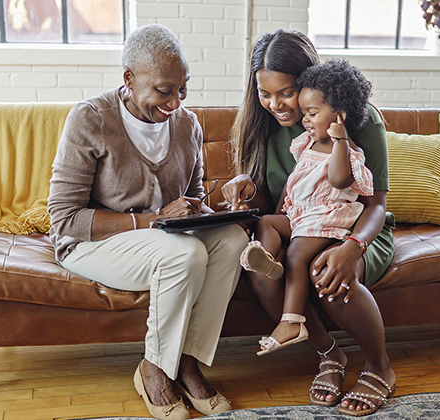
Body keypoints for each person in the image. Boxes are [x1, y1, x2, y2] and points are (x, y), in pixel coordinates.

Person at [48, 24, 248, 420]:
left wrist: (222, 206)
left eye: (183, 89)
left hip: (166, 240)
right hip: (91, 244)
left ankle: (188, 364)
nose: (176, 101)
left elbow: (191, 204)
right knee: (185, 254)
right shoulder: (90, 119)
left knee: (232, 239)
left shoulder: (187, 125)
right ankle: (153, 369)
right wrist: (154, 219)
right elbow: (65, 219)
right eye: (164, 90)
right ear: (128, 79)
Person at [221, 30, 396, 417]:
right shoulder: (261, 125)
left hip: (354, 225)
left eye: (285, 92)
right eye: (264, 94)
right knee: (263, 272)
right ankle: (329, 355)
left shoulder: (356, 120)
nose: (275, 105)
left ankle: (379, 365)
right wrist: (248, 189)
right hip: (299, 222)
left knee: (327, 272)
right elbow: (278, 202)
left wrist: (353, 247)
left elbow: (376, 204)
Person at [239, 59, 375, 359]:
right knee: (267, 223)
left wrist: (340, 138)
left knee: (299, 255)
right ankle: (267, 259)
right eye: (265, 94)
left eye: (312, 113)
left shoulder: (348, 151)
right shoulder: (306, 143)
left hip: (327, 219)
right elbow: (294, 182)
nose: (306, 120)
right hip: (301, 218)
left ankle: (292, 322)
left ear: (338, 115)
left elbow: (340, 180)